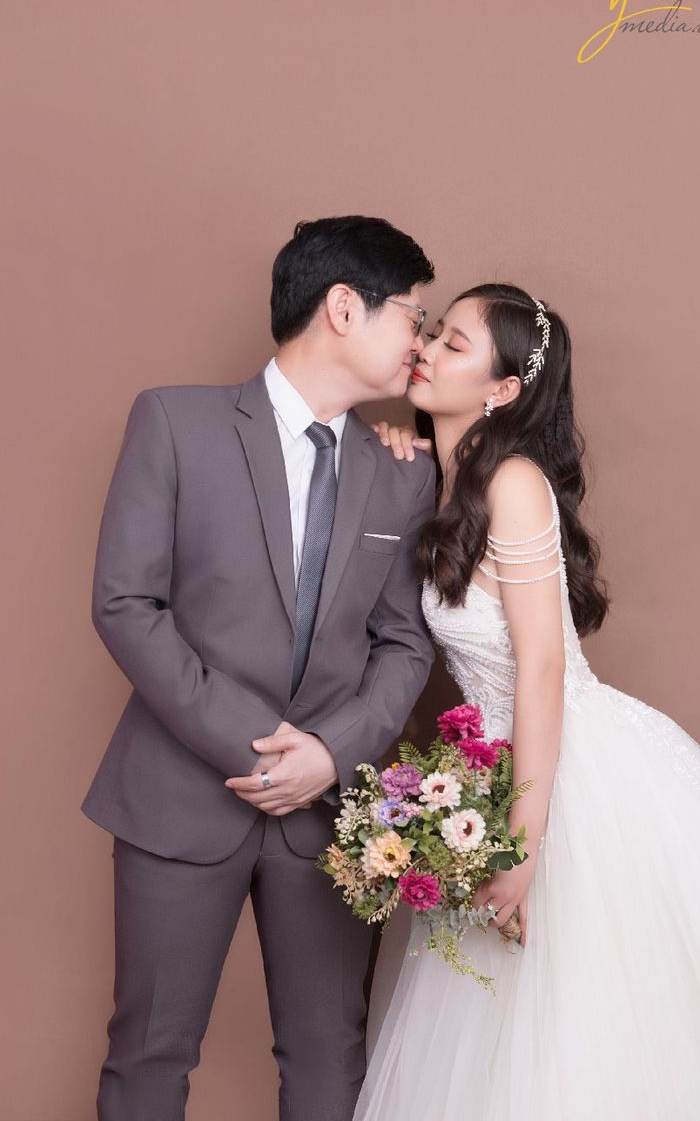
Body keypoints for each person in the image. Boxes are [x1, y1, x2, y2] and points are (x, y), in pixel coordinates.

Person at [81, 215, 439, 1121]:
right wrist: (255, 742)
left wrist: (331, 753)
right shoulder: (174, 422)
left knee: (330, 1059)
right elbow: (125, 603)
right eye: (414, 316)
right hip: (177, 796)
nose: (422, 341)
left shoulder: (404, 473)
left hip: (331, 815)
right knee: (149, 1053)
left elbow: (405, 642)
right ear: (345, 308)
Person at [354, 282, 700, 1120]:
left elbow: (542, 668)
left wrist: (523, 845)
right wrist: (396, 452)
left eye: (454, 344)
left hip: (560, 772)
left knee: (582, 1027)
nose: (427, 349)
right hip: (487, 772)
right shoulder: (442, 483)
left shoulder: (515, 481)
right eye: (435, 333)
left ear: (502, 390)